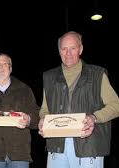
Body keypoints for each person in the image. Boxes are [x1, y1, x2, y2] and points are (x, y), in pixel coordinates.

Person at [38, 31, 119, 168]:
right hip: (57, 146)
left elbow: (116, 105)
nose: (68, 53)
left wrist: (94, 117)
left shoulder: (97, 75)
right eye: (64, 49)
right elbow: (45, 109)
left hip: (89, 145)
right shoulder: (49, 77)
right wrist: (43, 121)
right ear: (59, 51)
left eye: (73, 48)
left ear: (80, 49)